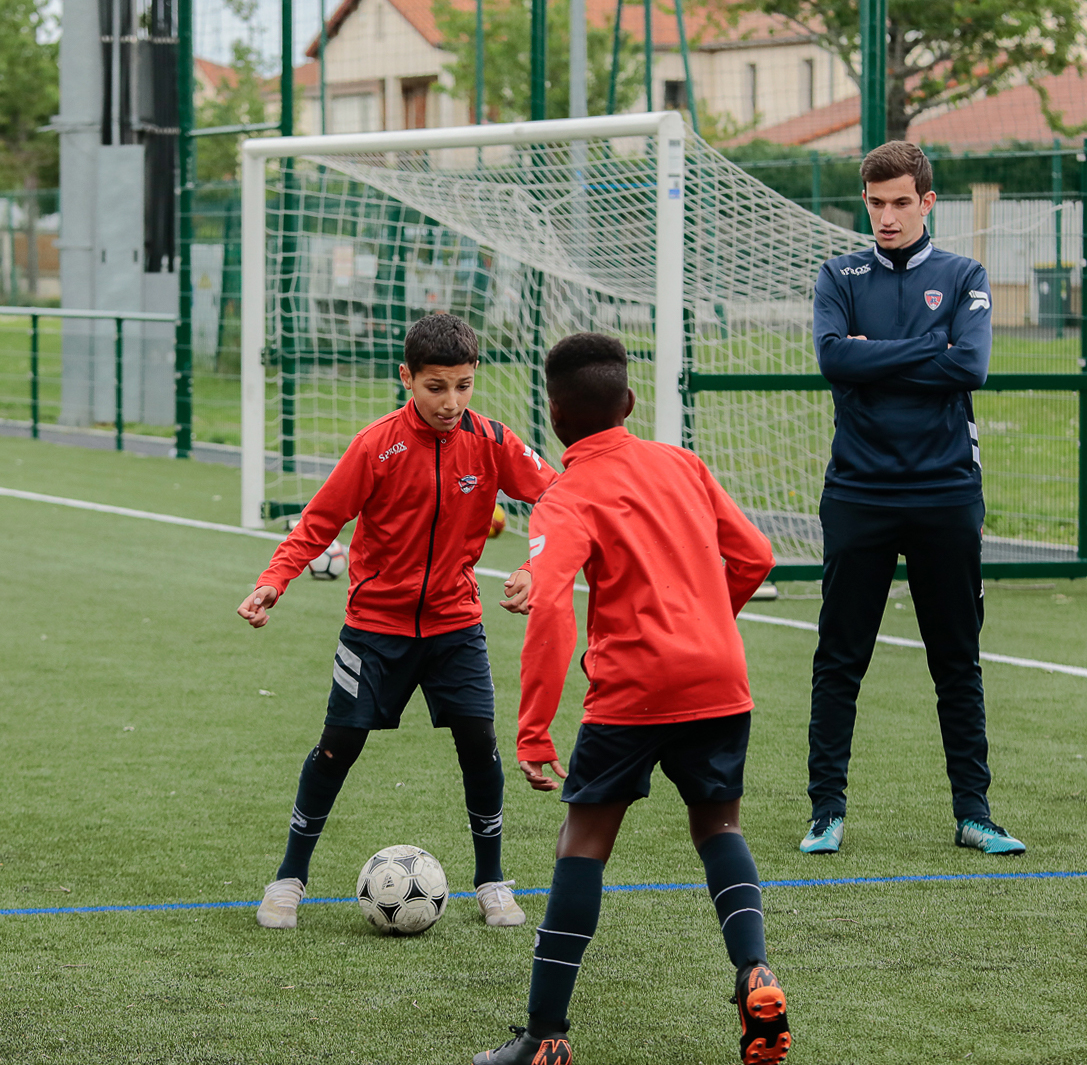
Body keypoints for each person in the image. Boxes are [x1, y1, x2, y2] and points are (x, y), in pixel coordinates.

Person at [474, 333, 788, 1065]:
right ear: (631, 401)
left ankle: (544, 1038)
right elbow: (756, 557)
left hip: (633, 693)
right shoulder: (682, 463)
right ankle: (754, 971)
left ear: (553, 417)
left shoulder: (566, 494)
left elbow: (549, 608)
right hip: (720, 678)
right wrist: (706, 626)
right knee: (718, 829)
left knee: (582, 846)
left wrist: (532, 732)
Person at [237, 312, 557, 930]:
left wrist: (538, 565)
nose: (450, 402)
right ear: (407, 377)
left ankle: (491, 882)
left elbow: (559, 500)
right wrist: (274, 580)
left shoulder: (492, 441)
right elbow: (318, 522)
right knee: (337, 747)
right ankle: (288, 880)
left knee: (479, 742)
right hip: (375, 630)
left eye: (463, 385)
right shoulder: (375, 444)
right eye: (436, 386)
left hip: (455, 625)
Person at [800, 139, 1024, 857]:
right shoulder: (840, 273)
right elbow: (835, 357)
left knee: (956, 659)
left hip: (945, 491)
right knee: (841, 656)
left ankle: (974, 813)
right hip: (858, 491)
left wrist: (879, 354)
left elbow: (973, 365)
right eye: (875, 203)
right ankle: (825, 812)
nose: (887, 216)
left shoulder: (965, 275)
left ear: (928, 202)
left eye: (901, 202)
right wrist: (928, 348)